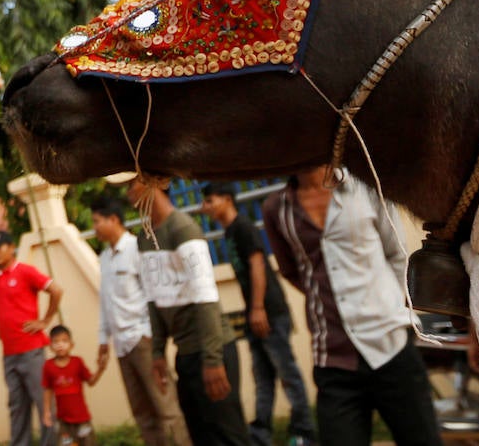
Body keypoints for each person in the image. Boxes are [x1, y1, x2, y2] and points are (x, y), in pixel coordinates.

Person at [262, 165, 442, 446]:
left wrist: (387, 306)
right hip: (332, 358)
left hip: (391, 348)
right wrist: (326, 298)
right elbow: (291, 272)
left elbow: (396, 254)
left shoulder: (367, 186)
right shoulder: (276, 209)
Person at [124, 177, 248, 446]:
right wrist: (157, 353)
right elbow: (154, 300)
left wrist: (213, 360)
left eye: (132, 184)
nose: (128, 193)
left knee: (229, 435)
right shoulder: (144, 239)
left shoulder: (183, 229)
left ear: (154, 183)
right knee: (201, 435)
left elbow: (205, 297)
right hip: (186, 355)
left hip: (212, 349)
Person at [201, 182, 317, 446]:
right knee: (263, 377)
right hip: (256, 314)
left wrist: (257, 308)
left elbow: (257, 265)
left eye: (209, 200)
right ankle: (261, 435)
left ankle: (304, 433)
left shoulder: (242, 227)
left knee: (287, 373)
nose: (204, 207)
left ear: (227, 199)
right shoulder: (229, 232)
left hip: (269, 312)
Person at [91, 197, 191, 446]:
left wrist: (150, 336)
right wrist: (104, 340)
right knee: (142, 413)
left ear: (113, 220)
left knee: (165, 407)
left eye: (97, 222)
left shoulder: (137, 249)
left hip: (142, 340)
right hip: (122, 345)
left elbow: (152, 295)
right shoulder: (104, 257)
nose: (94, 228)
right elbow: (106, 301)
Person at [0, 229, 64, 446]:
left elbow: (56, 290)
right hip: (9, 353)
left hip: (32, 350)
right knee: (17, 406)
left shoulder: (26, 271)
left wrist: (44, 321)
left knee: (43, 402)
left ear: (11, 248)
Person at [42, 325, 101, 446]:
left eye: (64, 341)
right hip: (64, 421)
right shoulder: (48, 366)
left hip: (82, 419)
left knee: (88, 443)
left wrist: (101, 369)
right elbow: (47, 389)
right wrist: (47, 411)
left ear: (71, 344)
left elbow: (91, 381)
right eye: (56, 342)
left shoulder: (77, 362)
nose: (60, 345)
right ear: (50, 346)